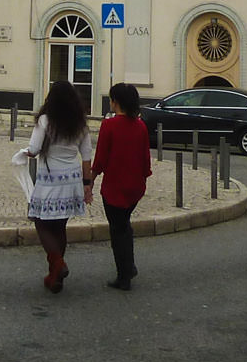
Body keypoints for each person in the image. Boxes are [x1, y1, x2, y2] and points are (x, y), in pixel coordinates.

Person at [18, 80, 94, 294]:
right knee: (60, 226)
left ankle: (58, 263)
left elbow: (33, 148)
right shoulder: (80, 123)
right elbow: (87, 157)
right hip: (72, 180)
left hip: (50, 179)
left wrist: (22, 154)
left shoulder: (45, 120)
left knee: (40, 220)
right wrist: (87, 185)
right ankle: (54, 275)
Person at [91, 82, 152, 291]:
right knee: (124, 225)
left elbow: (100, 160)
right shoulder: (141, 126)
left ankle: (124, 275)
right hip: (135, 187)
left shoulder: (109, 125)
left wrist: (89, 182)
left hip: (115, 187)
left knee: (117, 231)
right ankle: (129, 266)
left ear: (115, 101)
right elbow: (146, 159)